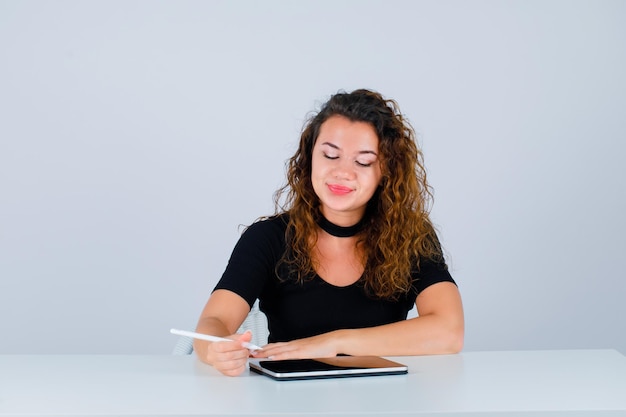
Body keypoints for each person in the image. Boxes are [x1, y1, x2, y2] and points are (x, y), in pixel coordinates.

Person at [194, 89, 464, 376]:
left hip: (384, 401)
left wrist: (333, 343)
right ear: (310, 157)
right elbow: (212, 323)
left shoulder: (411, 235)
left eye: (362, 161)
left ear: (386, 171)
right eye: (330, 155)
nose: (342, 172)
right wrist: (218, 349)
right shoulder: (268, 237)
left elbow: (449, 331)